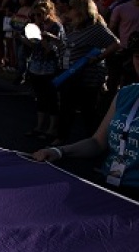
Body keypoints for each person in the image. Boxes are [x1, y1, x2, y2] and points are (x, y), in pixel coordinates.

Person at [33, 67, 139, 200]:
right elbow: (97, 142)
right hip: (110, 183)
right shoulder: (125, 94)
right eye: (137, 56)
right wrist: (59, 151)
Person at [59, 0, 121, 143]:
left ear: (81, 11)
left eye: (73, 8)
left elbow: (115, 44)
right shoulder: (75, 28)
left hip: (87, 77)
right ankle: (62, 138)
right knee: (66, 108)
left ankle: (93, 141)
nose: (70, 11)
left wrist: (99, 58)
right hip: (69, 73)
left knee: (88, 111)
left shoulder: (97, 29)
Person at [24, 0, 66, 142]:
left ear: (48, 13)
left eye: (40, 14)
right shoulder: (36, 26)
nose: (37, 17)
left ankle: (52, 128)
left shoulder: (56, 27)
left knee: (51, 99)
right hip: (36, 65)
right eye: (35, 15)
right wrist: (24, 39)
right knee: (40, 98)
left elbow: (52, 51)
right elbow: (33, 47)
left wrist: (42, 36)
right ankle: (39, 126)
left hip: (50, 67)